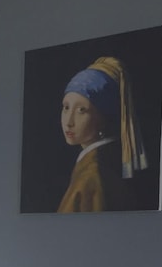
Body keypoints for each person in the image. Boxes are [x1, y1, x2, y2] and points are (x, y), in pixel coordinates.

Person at [57, 56, 147, 213]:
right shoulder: (99, 164)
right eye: (66, 107)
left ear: (103, 117)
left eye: (81, 110)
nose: (69, 121)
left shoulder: (92, 177)